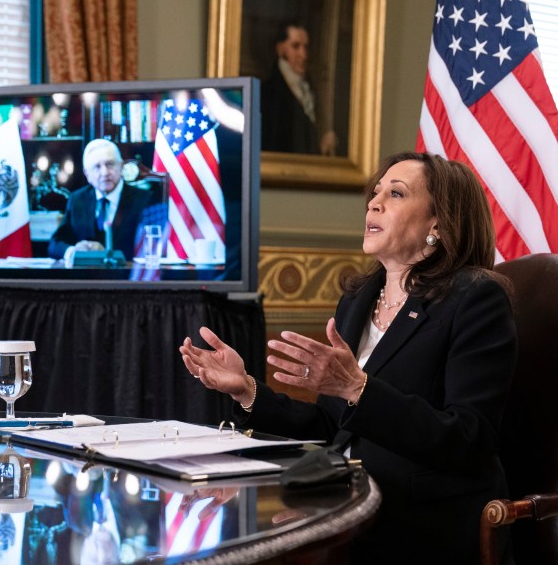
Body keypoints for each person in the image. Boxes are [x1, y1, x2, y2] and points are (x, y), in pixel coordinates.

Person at [180, 151, 517, 563]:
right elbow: (334, 428)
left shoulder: (475, 299)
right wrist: (248, 390)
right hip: (343, 504)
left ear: (439, 224)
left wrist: (358, 387)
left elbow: (469, 439)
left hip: (423, 518)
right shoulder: (358, 299)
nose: (374, 203)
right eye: (375, 193)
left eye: (396, 194)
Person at [48, 139, 155, 261]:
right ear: (87, 174)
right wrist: (73, 251)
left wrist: (105, 252)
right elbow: (55, 244)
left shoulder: (144, 200)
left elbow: (150, 248)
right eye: (97, 167)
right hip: (86, 277)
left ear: (121, 167)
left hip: (126, 277)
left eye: (110, 164)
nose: (104, 173)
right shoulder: (78, 199)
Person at [260, 21, 338, 155]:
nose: (304, 54)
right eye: (296, 46)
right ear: (281, 49)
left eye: (305, 47)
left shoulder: (311, 87)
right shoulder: (266, 93)